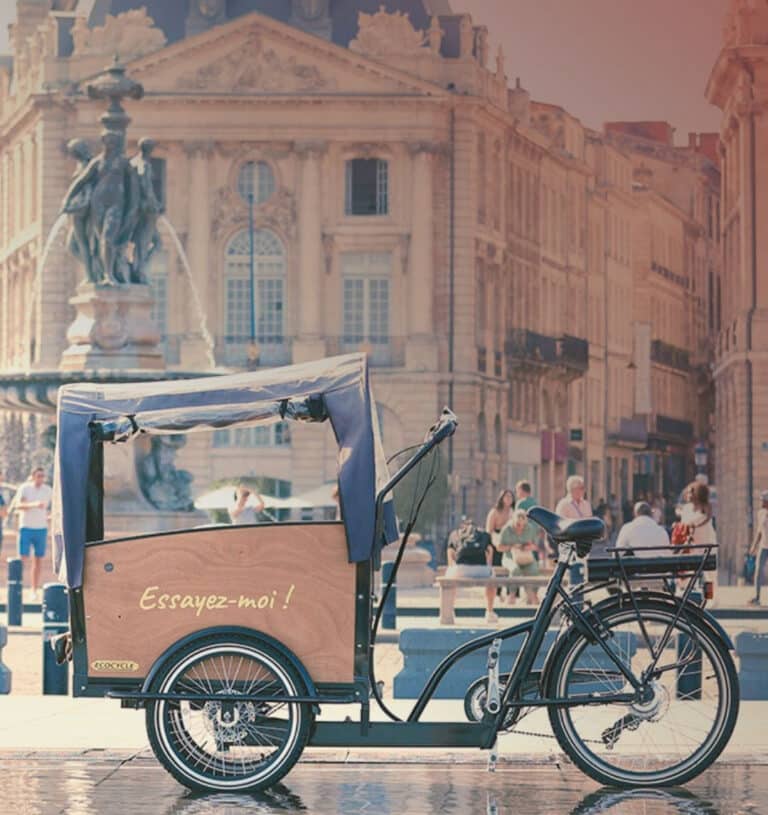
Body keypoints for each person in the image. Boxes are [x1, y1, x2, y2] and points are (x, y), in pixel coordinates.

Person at [446, 517, 498, 623]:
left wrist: (453, 567)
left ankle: (449, 611)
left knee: (448, 580)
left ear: (463, 526)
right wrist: (487, 566)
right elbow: (490, 550)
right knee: (492, 576)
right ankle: (489, 612)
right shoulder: (483, 534)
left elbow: (450, 553)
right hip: (481, 569)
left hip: (461, 569)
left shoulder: (456, 533)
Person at [16, 467, 53, 600]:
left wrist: (51, 516)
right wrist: (34, 505)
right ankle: (17, 588)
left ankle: (34, 590)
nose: (41, 479)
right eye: (38, 476)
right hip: (26, 527)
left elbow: (53, 507)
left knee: (38, 560)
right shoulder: (25, 488)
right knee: (22, 558)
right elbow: (18, 505)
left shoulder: (48, 490)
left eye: (43, 476)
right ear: (33, 476)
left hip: (41, 528)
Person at [499, 509, 540, 604]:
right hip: (509, 556)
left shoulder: (530, 528)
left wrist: (528, 546)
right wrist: (512, 547)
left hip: (526, 557)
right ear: (513, 521)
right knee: (515, 570)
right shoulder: (506, 529)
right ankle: (512, 595)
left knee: (534, 570)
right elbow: (499, 547)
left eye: (523, 525)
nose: (520, 528)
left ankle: (533, 595)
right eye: (518, 525)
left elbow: (535, 546)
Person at [748, 491, 768, 605]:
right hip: (764, 546)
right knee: (758, 571)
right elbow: (759, 531)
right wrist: (754, 546)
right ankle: (757, 597)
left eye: (763, 500)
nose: (761, 502)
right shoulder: (760, 513)